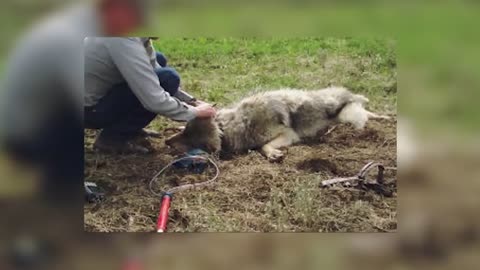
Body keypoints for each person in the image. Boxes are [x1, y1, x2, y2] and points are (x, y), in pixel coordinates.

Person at [0, 0, 155, 201]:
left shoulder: (78, 26)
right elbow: (73, 103)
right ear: (113, 8)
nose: (136, 24)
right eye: (133, 15)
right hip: (23, 135)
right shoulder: (66, 37)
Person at [84, 37, 216, 154]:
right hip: (88, 111)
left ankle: (129, 129)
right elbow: (154, 99)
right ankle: (113, 139)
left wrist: (192, 101)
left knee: (160, 60)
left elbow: (154, 72)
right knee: (169, 78)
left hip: (92, 98)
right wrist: (194, 112)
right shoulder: (124, 40)